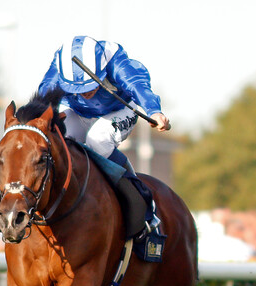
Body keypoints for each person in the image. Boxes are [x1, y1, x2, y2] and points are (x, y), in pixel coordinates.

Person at [37, 35, 169, 238]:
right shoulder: (60, 65)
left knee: (97, 140)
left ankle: (136, 199)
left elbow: (137, 85)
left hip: (119, 111)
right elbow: (44, 95)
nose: (84, 92)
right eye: (77, 89)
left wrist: (153, 111)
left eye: (89, 85)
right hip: (79, 112)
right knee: (62, 144)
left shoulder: (115, 61)